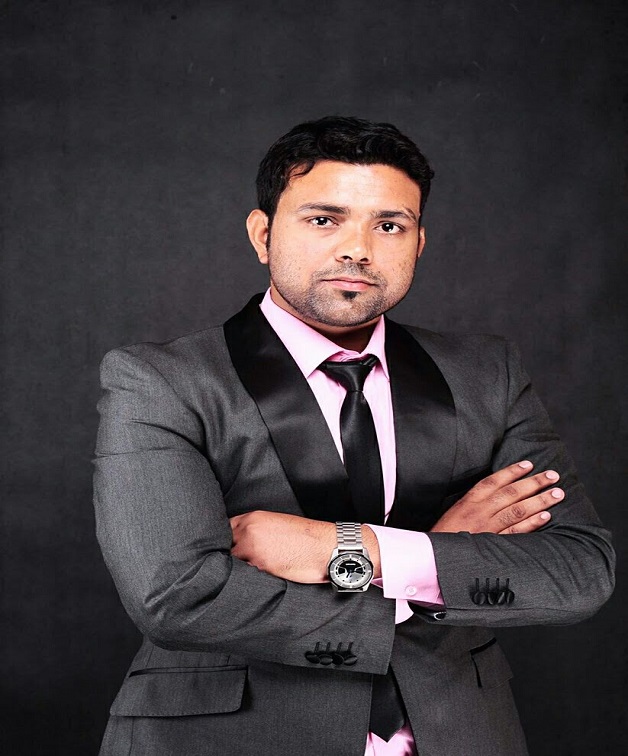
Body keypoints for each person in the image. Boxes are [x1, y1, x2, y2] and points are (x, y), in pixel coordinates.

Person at [93, 116, 615, 756]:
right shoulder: (161, 381)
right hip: (236, 736)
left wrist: (353, 549)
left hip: (461, 732)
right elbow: (177, 596)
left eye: (389, 225)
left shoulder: (487, 373)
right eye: (324, 219)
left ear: (419, 243)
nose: (358, 249)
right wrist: (439, 558)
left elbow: (578, 571)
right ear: (262, 235)